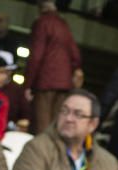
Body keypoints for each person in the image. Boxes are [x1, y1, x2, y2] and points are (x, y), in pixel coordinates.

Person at [26, 1, 81, 135]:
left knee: (42, 128)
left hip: (45, 83)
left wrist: (28, 84)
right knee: (58, 128)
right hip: (64, 85)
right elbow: (76, 55)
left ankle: (42, 155)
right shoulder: (64, 24)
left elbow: (36, 56)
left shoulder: (41, 23)